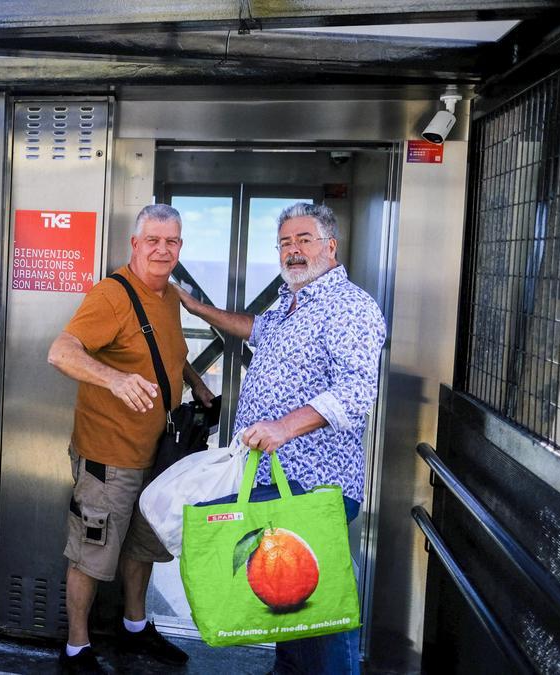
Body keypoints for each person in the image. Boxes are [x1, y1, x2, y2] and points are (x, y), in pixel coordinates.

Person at [177, 202, 385, 675]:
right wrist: (195, 307)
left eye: (304, 240)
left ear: (330, 246)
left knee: (321, 613)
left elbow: (355, 394)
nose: (293, 251)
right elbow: (255, 329)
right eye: (286, 243)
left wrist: (283, 427)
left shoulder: (349, 306)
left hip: (315, 484)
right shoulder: (292, 303)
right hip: (276, 480)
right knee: (290, 599)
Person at [47, 204, 214, 674]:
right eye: (153, 240)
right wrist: (114, 380)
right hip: (109, 457)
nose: (163, 249)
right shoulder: (111, 295)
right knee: (92, 556)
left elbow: (164, 354)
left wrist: (196, 384)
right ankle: (76, 649)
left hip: (158, 455)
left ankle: (134, 629)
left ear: (180, 247)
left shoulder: (168, 295)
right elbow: (61, 352)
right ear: (135, 244)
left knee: (144, 547)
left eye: (172, 241)